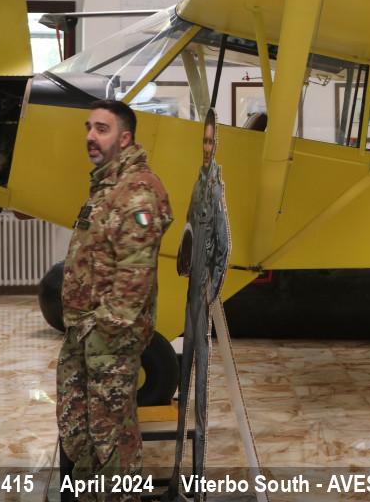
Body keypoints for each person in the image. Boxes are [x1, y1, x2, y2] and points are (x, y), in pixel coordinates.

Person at [57, 100, 172, 500]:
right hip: (84, 332)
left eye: (102, 129)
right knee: (80, 429)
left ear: (125, 138)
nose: (91, 136)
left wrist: (105, 330)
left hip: (108, 338)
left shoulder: (137, 190)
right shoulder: (108, 186)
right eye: (89, 127)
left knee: (112, 436)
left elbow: (135, 273)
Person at [167, 109, 230, 499]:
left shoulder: (217, 190)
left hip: (201, 298)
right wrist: (183, 249)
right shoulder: (196, 185)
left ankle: (198, 482)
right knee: (183, 386)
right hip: (189, 294)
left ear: (216, 144)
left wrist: (211, 292)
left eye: (210, 141)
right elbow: (191, 226)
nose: (206, 147)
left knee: (201, 394)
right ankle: (177, 478)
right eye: (203, 141)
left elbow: (225, 247)